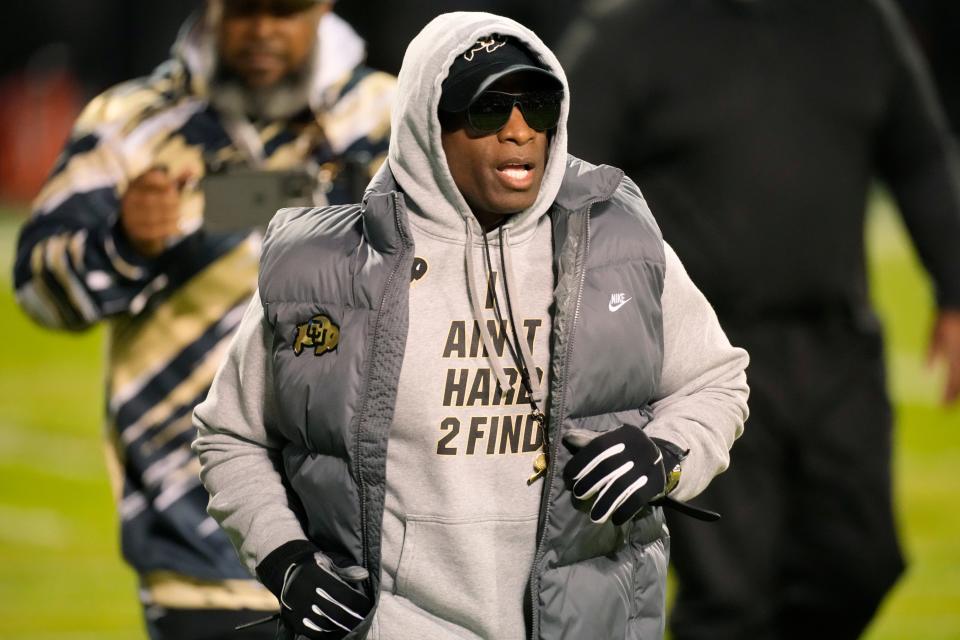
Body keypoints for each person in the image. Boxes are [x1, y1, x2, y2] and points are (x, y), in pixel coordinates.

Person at [193, 11, 749, 640]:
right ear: (429, 127)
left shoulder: (615, 240)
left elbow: (717, 381)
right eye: (487, 111)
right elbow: (228, 435)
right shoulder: (318, 267)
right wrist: (284, 560)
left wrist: (668, 451)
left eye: (538, 107)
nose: (520, 132)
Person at [561, 0, 960, 638]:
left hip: (839, 346)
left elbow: (917, 156)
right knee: (731, 598)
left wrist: (954, 289)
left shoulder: (859, 22)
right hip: (704, 361)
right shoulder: (631, 32)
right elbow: (568, 183)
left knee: (861, 566)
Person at [12, 1, 394, 637]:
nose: (264, 30)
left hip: (370, 539)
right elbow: (36, 288)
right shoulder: (130, 122)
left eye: (287, 10)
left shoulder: (393, 115)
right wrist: (122, 245)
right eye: (246, 9)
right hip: (197, 534)